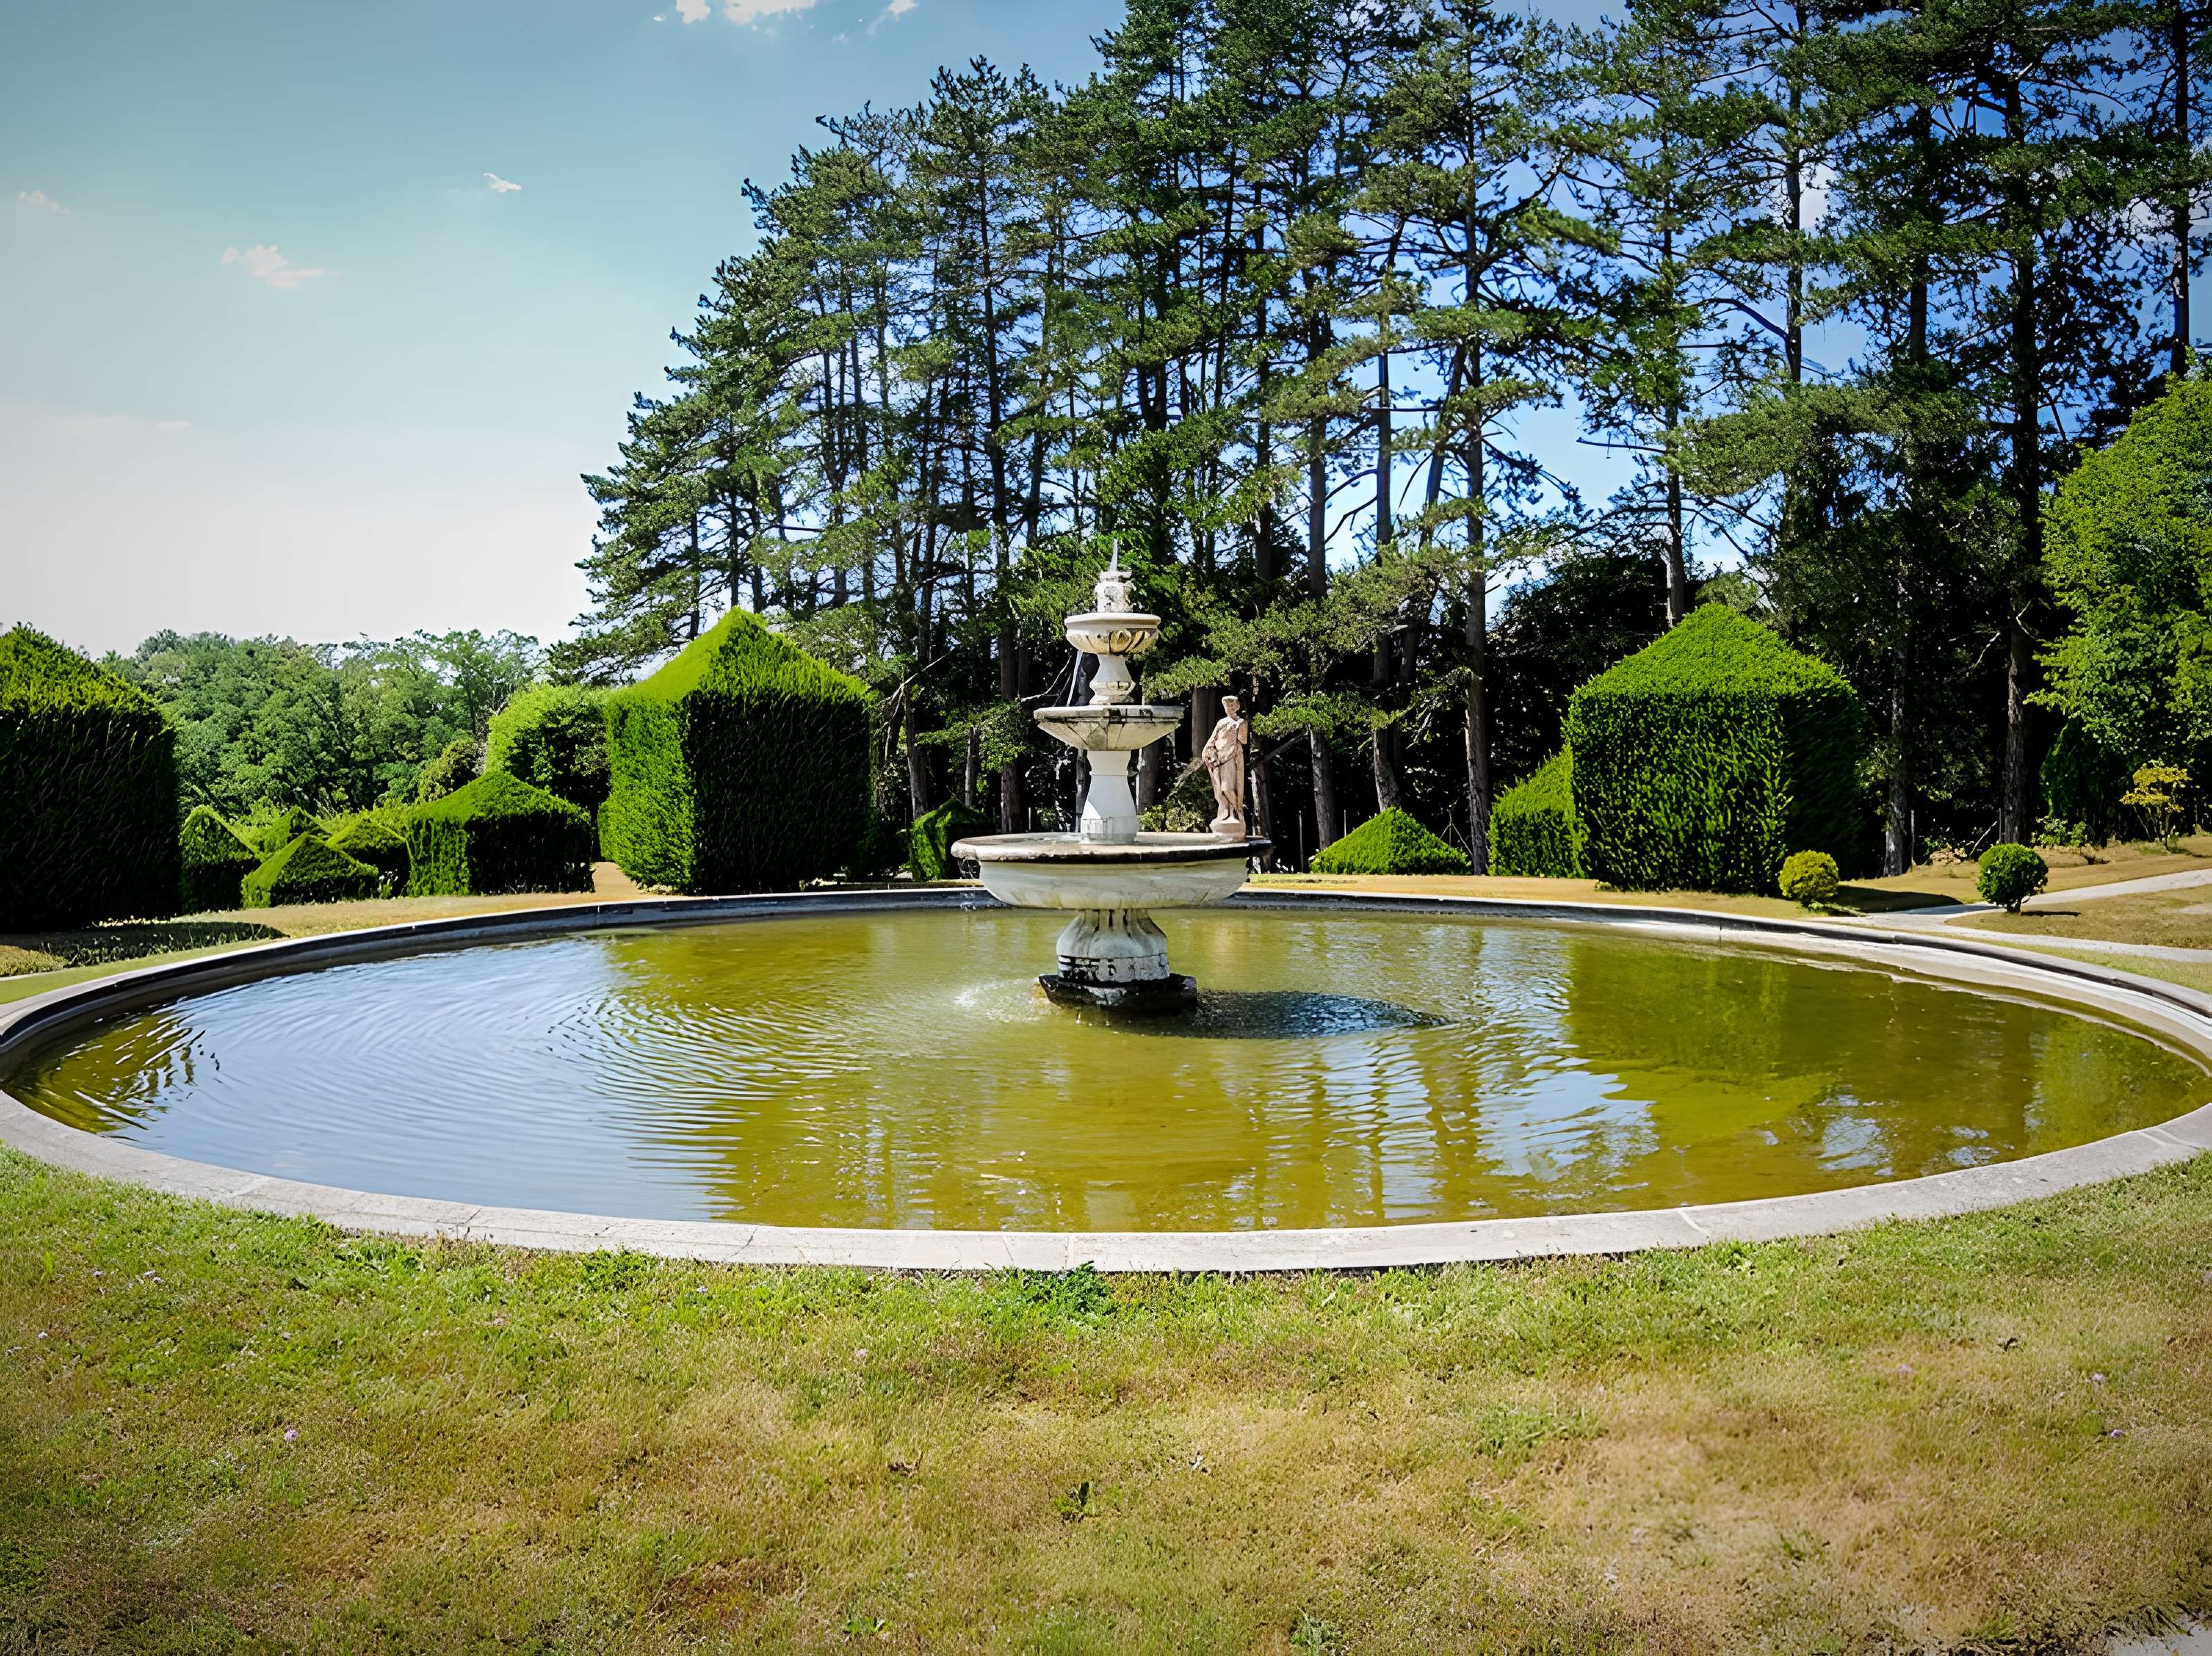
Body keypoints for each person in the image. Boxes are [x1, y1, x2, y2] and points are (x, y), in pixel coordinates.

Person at [1201, 695, 1249, 836]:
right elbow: (1213, 739)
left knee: (1228, 788)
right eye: (1227, 706)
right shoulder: (1221, 722)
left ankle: (1238, 812)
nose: (1229, 709)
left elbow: (1243, 741)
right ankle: (1228, 814)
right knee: (1219, 791)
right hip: (1218, 759)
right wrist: (1207, 752)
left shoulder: (1240, 722)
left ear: (1237, 707)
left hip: (1231, 758)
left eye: (1231, 706)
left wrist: (1241, 726)